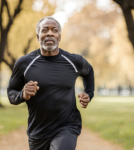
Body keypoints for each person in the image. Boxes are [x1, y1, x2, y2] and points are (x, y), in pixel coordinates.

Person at [7, 16, 94, 150]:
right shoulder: (24, 63)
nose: (49, 33)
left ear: (59, 36)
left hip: (67, 126)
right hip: (38, 131)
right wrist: (23, 95)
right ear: (38, 36)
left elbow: (88, 72)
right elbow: (11, 93)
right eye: (45, 30)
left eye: (54, 30)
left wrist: (89, 93)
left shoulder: (74, 61)